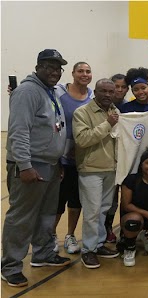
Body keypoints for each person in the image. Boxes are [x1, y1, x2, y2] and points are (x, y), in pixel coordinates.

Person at [2, 49, 72, 287]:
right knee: (22, 217)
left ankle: (42, 255)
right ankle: (10, 266)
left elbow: (54, 128)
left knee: (46, 214)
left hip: (51, 165)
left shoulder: (49, 92)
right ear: (38, 66)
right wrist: (24, 165)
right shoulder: (27, 92)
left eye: (58, 68)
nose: (54, 72)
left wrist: (58, 161)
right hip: (31, 165)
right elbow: (18, 131)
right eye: (50, 67)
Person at [72, 79, 122, 268]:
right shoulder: (82, 113)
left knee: (103, 209)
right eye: (104, 91)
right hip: (91, 169)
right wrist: (107, 124)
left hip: (111, 169)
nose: (108, 94)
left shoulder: (115, 111)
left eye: (111, 91)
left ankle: (99, 243)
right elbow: (83, 139)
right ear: (95, 91)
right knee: (92, 212)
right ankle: (88, 250)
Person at [53, 61, 93, 255]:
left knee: (76, 201)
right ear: (72, 73)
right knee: (58, 201)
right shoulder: (59, 92)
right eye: (80, 71)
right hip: (60, 158)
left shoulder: (93, 96)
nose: (84, 74)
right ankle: (50, 235)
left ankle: (70, 235)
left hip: (82, 158)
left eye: (87, 71)